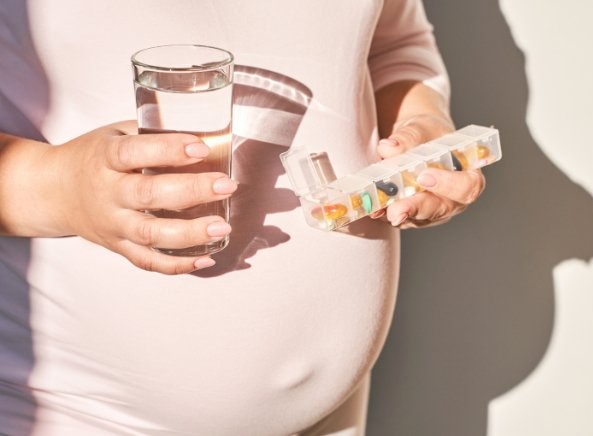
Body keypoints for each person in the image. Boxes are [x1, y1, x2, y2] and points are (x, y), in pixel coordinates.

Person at [0, 0, 486, 434]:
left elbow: (394, 42)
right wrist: (62, 186)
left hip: (336, 416)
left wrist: (420, 129)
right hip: (76, 413)